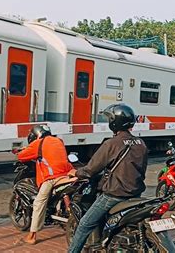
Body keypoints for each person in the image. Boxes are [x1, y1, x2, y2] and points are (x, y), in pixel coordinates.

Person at [67, 104, 148, 253]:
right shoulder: (141, 143)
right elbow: (141, 169)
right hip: (136, 193)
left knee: (85, 224)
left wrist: (76, 173)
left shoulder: (111, 143)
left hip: (115, 194)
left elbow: (91, 169)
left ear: (114, 122)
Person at [16, 124, 74, 245]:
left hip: (52, 178)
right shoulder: (58, 140)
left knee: (38, 202)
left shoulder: (39, 143)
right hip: (67, 174)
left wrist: (23, 151)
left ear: (36, 135)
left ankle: (32, 236)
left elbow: (22, 157)